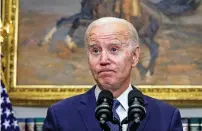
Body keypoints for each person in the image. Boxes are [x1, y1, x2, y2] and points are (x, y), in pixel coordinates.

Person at [43, 17, 183, 131]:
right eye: (95, 51)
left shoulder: (167, 118)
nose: (103, 60)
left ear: (134, 56)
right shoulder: (60, 116)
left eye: (114, 49)